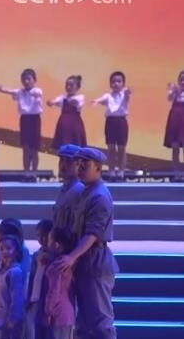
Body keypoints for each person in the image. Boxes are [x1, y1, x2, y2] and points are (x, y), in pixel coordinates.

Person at [52, 147, 119, 339]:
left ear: (98, 167)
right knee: (84, 323)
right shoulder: (85, 192)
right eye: (78, 164)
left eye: (85, 165)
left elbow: (93, 233)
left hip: (95, 261)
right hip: (84, 261)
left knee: (101, 322)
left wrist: (71, 257)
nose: (80, 168)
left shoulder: (99, 195)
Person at [0, 68, 43, 174]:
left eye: (29, 79)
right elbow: (10, 91)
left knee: (34, 149)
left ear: (34, 80)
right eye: (24, 79)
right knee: (25, 147)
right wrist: (0, 89)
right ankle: (26, 172)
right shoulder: (20, 92)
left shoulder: (37, 91)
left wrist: (37, 97)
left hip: (34, 120)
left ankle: (34, 172)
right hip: (24, 120)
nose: (26, 81)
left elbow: (38, 94)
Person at [93, 71, 131, 179]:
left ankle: (121, 172)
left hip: (121, 122)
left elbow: (127, 95)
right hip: (110, 122)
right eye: (113, 81)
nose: (116, 83)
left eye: (119, 81)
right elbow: (102, 99)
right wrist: (96, 101)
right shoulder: (108, 96)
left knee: (121, 148)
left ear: (123, 83)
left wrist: (128, 92)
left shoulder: (124, 95)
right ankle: (111, 171)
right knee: (111, 148)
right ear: (110, 84)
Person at [0, 235, 26, 339]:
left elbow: (17, 297)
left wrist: (13, 318)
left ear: (16, 251)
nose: (4, 252)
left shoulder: (15, 272)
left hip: (8, 323)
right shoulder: (1, 271)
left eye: (8, 248)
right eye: (1, 249)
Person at [48, 75, 88, 149]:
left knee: (75, 146)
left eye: (71, 85)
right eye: (67, 84)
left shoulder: (80, 97)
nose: (68, 87)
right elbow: (56, 101)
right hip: (63, 125)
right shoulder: (62, 98)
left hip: (75, 126)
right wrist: (51, 102)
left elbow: (78, 103)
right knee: (62, 145)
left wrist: (74, 102)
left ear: (77, 87)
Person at [53, 144, 85, 231]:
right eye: (61, 160)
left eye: (68, 161)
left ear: (79, 164)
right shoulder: (64, 189)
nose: (63, 165)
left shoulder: (79, 190)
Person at [164, 70, 184, 180]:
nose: (183, 82)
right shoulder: (175, 91)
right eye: (181, 79)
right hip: (175, 120)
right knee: (175, 147)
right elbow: (169, 99)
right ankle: (176, 173)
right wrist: (175, 91)